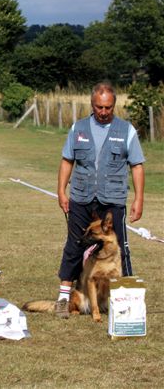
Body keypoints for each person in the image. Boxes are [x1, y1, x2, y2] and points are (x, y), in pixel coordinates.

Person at [54, 82, 145, 318]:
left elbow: (136, 165)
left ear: (114, 105)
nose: (103, 112)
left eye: (108, 107)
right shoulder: (78, 128)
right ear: (92, 104)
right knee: (74, 245)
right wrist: (62, 191)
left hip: (112, 198)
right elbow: (67, 160)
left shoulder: (127, 130)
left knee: (121, 248)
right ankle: (64, 299)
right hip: (81, 197)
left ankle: (126, 301)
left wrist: (139, 198)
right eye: (99, 107)